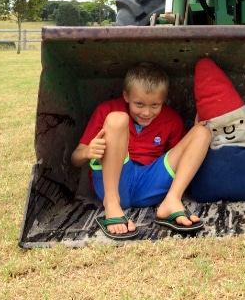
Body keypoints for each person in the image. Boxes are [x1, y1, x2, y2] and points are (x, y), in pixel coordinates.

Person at [71, 61, 211, 239]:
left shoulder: (171, 119)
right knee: (116, 119)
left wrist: (193, 139)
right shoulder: (107, 110)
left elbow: (178, 160)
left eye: (155, 105)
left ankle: (172, 201)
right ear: (126, 96)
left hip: (150, 183)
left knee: (201, 132)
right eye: (139, 104)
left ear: (164, 99)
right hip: (115, 180)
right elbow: (75, 158)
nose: (146, 113)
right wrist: (88, 151)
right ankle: (112, 204)